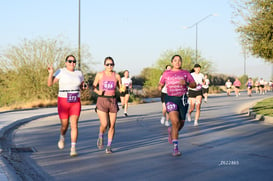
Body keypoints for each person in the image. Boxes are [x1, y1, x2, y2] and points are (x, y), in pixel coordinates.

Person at [47, 55, 86, 157]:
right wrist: (51, 73)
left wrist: (84, 86)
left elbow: (82, 86)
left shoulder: (79, 73)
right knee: (65, 125)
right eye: (70, 61)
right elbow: (50, 84)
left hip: (75, 100)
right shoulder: (61, 71)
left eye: (74, 61)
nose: (72, 63)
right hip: (63, 100)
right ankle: (62, 136)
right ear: (66, 62)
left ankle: (73, 148)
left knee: (74, 124)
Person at [158, 55, 196, 156]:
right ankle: (175, 148)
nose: (177, 62)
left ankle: (172, 131)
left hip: (183, 100)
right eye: (175, 61)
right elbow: (160, 84)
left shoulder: (186, 73)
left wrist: (187, 83)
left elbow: (194, 84)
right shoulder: (166, 74)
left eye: (179, 61)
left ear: (181, 62)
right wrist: (159, 87)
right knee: (175, 122)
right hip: (170, 99)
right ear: (172, 62)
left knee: (181, 123)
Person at [92, 56, 121, 154]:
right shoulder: (100, 75)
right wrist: (97, 91)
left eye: (111, 64)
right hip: (102, 101)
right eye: (108, 64)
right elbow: (93, 86)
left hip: (112, 101)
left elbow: (120, 88)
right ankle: (100, 135)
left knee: (112, 125)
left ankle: (108, 146)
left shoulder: (116, 76)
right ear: (104, 65)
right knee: (104, 124)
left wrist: (123, 89)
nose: (110, 66)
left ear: (114, 65)